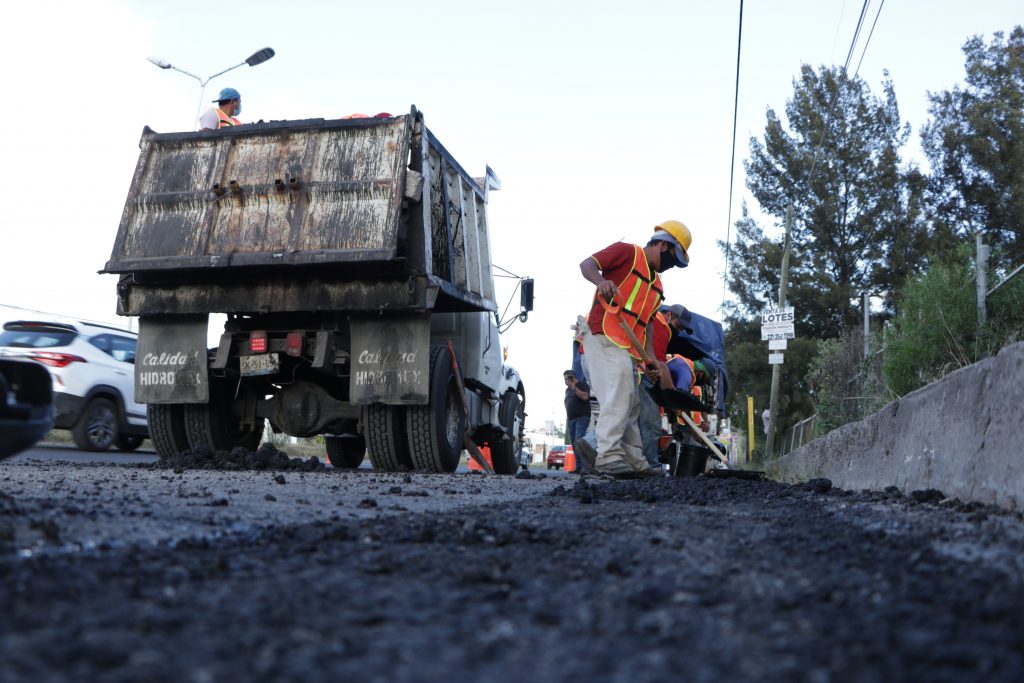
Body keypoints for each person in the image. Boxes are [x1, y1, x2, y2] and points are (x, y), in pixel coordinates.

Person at [578, 220, 691, 478]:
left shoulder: (658, 287)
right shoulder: (628, 252)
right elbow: (587, 264)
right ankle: (607, 456)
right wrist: (601, 281)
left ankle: (633, 461)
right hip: (602, 332)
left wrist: (648, 359)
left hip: (627, 347)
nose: (670, 267)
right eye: (671, 260)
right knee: (620, 394)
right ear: (662, 244)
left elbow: (648, 323)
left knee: (633, 402)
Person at [637, 304, 694, 469]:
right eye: (678, 325)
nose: (679, 330)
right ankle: (651, 466)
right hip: (645, 376)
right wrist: (672, 399)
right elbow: (659, 364)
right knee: (650, 423)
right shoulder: (661, 324)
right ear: (669, 314)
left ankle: (639, 464)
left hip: (640, 373)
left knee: (631, 421)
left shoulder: (656, 322)